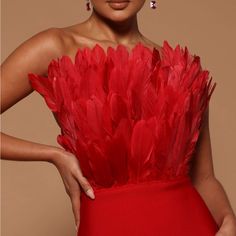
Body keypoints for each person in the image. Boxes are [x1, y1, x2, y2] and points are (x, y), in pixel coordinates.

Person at [1, 0, 236, 235]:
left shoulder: (179, 67)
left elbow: (204, 179)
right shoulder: (56, 46)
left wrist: (228, 219)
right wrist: (54, 155)